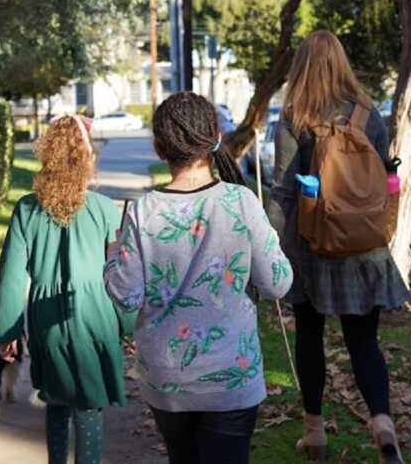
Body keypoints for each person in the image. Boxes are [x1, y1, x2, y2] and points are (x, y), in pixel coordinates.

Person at [104, 92, 294, 464]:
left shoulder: (143, 212)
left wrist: (112, 258)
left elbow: (125, 295)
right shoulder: (241, 203)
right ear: (215, 138)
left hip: (166, 378)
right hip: (231, 376)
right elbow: (277, 283)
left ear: (159, 148)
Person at [267, 30, 411, 464]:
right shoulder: (370, 113)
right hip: (364, 247)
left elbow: (283, 191)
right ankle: (383, 424)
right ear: (342, 64)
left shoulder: (294, 117)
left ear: (301, 67)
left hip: (312, 247)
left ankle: (315, 433)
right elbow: (385, 178)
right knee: (364, 343)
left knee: (310, 338)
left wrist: (270, 249)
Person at [0, 115, 133, 464]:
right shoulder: (102, 209)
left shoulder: (27, 210)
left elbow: (10, 276)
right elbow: (122, 274)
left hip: (46, 318)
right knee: (89, 408)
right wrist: (128, 323)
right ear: (87, 158)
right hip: (95, 317)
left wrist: (6, 330)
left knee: (55, 401)